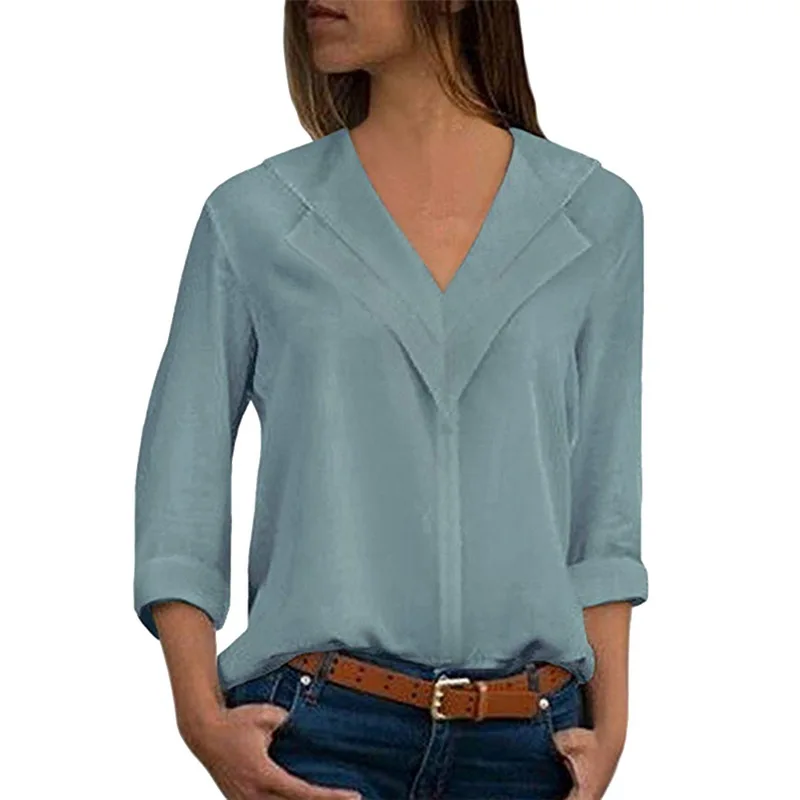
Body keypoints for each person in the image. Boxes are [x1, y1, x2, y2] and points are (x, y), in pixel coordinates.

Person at [133, 1, 648, 798]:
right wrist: (201, 719)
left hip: (530, 742)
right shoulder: (254, 216)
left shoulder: (595, 214)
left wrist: (610, 729)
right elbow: (182, 480)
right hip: (313, 730)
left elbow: (603, 495)